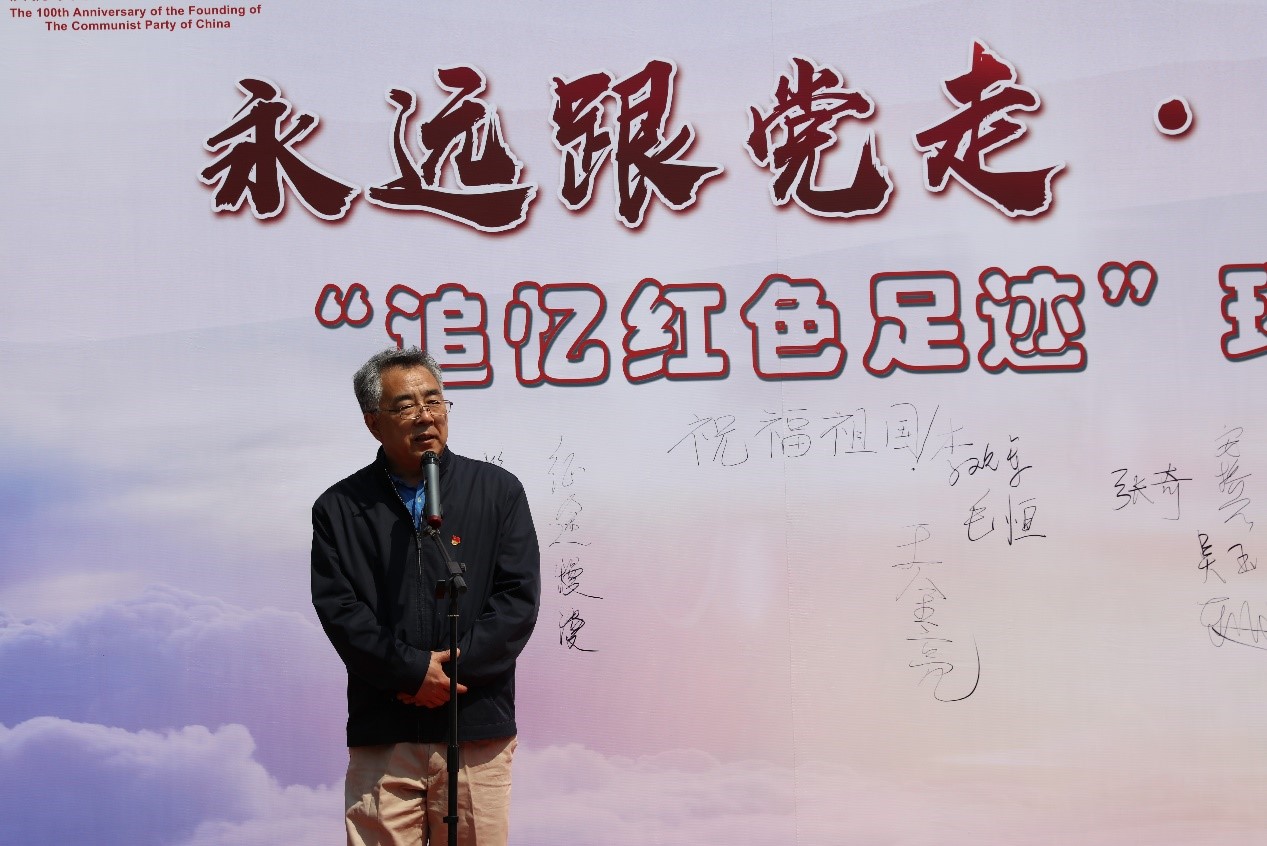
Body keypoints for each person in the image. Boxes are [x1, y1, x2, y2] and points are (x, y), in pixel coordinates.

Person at [311, 346, 540, 845]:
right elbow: (340, 610)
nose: (424, 415)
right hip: (386, 733)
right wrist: (411, 672)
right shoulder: (339, 507)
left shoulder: (498, 491)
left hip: (474, 727)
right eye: (406, 406)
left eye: (434, 401)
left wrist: (450, 674)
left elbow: (517, 599)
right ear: (373, 423)